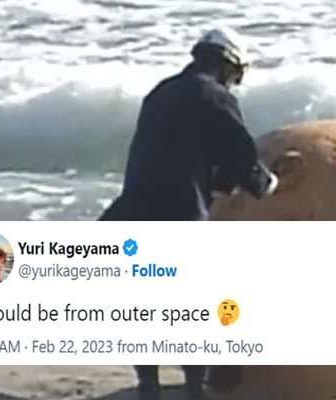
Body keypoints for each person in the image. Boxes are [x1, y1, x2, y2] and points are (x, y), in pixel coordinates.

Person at [98, 26, 280, 400]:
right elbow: (241, 158)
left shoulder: (161, 93)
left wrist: (218, 185)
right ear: (229, 66)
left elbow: (181, 155)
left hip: (132, 212)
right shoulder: (215, 97)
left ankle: (149, 385)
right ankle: (196, 387)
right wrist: (270, 183)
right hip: (178, 215)